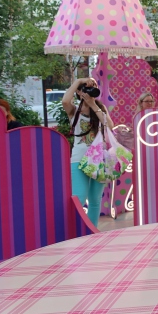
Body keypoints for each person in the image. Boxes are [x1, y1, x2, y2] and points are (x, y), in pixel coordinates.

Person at [62, 77, 115, 228]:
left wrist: (92, 104)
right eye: (86, 87)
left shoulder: (99, 107)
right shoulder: (74, 109)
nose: (90, 89)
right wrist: (79, 81)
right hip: (79, 158)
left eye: (93, 86)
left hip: (99, 158)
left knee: (95, 199)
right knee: (79, 197)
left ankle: (91, 231)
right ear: (79, 91)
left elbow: (109, 125)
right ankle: (75, 229)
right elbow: (65, 101)